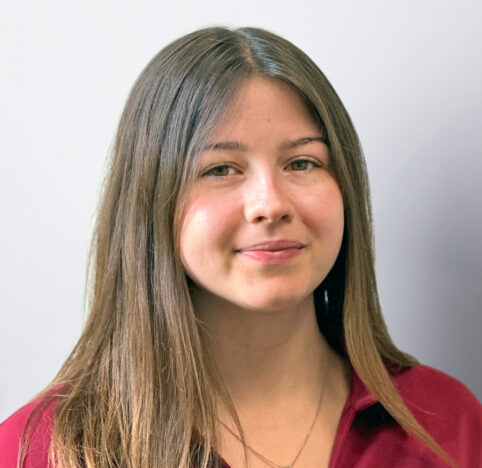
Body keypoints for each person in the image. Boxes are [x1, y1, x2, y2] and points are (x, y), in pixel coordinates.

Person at [0, 26, 480, 468]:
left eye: (302, 163)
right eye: (220, 169)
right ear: (150, 200)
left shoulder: (449, 421)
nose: (270, 205)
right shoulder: (41, 450)